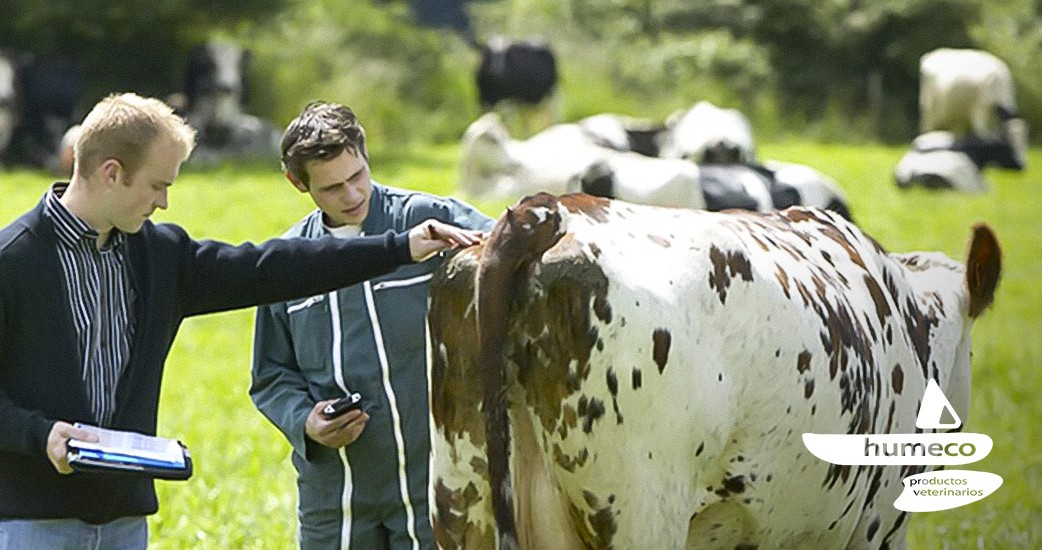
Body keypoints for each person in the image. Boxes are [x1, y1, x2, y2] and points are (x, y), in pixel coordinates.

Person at [0, 92, 479, 549]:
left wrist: (399, 246)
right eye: (158, 185)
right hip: (32, 523)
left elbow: (267, 269)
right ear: (111, 174)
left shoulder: (157, 254)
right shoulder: (12, 261)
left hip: (124, 522)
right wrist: (39, 436)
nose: (164, 201)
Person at [250, 101, 494, 550]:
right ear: (296, 183)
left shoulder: (429, 221)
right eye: (332, 188)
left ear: (365, 155)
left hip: (436, 483)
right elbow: (270, 376)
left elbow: (510, 256)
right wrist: (305, 421)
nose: (352, 196)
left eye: (357, 176)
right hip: (335, 493)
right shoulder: (288, 262)